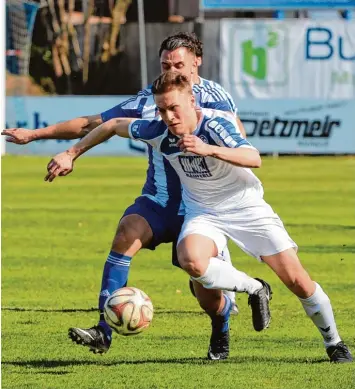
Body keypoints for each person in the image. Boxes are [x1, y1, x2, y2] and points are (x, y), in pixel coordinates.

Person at [45, 71, 353, 364]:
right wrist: (72, 153)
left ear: (192, 102)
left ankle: (334, 342)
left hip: (246, 207)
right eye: (163, 110)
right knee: (191, 260)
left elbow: (253, 157)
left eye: (174, 108)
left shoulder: (216, 125)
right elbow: (112, 125)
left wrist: (208, 149)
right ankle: (255, 288)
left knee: (298, 281)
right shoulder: (157, 130)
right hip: (203, 213)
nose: (169, 117)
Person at [2, 32, 272, 360]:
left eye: (179, 64)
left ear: (196, 62)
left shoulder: (216, 98)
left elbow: (238, 143)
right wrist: (38, 136)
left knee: (208, 296)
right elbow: (94, 123)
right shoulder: (149, 99)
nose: (172, 69)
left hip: (201, 209)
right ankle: (103, 330)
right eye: (165, 64)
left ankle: (221, 325)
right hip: (159, 200)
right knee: (126, 232)